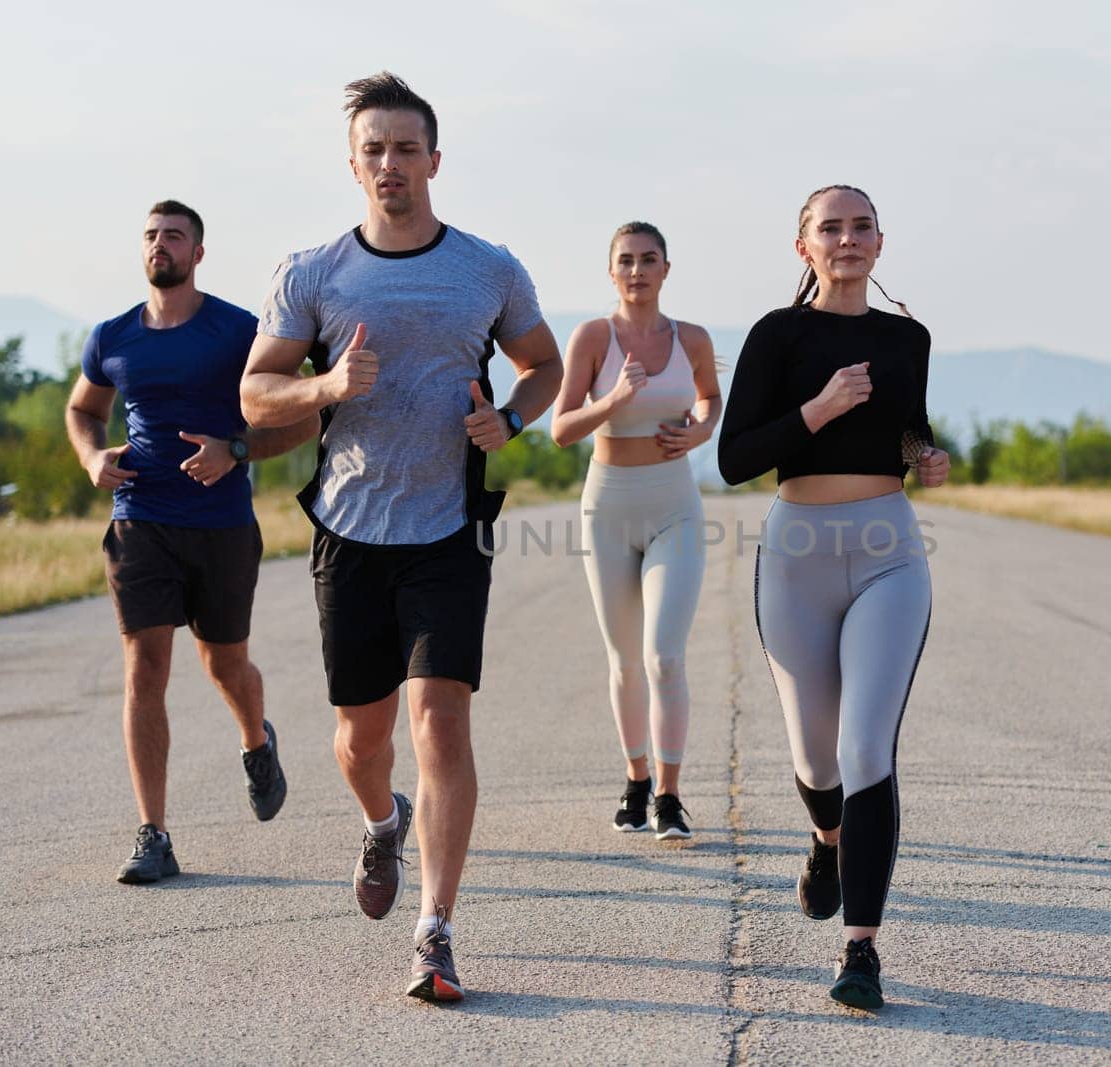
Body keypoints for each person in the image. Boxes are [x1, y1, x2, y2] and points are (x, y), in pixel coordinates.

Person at [240, 72, 562, 1005]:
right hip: (349, 530)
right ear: (353, 163)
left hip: (448, 530)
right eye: (372, 149)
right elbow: (257, 396)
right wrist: (328, 388)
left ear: (433, 159)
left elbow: (541, 365)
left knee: (441, 721)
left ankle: (436, 930)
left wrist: (511, 418)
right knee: (359, 741)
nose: (390, 163)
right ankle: (381, 821)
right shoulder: (312, 273)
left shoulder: (487, 268)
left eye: (405, 148)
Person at [716, 185, 950, 1010]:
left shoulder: (908, 337)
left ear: (881, 244)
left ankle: (862, 951)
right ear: (803, 246)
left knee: (865, 752)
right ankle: (825, 840)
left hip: (888, 550)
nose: (846, 240)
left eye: (860, 228)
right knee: (816, 762)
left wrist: (925, 451)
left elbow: (907, 421)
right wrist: (818, 408)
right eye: (830, 228)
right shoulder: (779, 335)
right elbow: (735, 458)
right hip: (797, 554)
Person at [65, 199, 320, 886]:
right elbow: (82, 409)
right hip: (139, 517)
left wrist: (236, 448)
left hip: (222, 527)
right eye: (150, 235)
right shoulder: (113, 334)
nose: (160, 245)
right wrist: (92, 458)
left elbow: (304, 414)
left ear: (197, 253)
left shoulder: (238, 330)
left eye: (174, 236)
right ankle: (154, 832)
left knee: (225, 666)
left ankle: (256, 740)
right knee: (145, 667)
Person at [551, 222, 721, 841]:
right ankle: (636, 779)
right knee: (625, 660)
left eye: (649, 260)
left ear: (666, 270)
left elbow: (710, 400)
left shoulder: (692, 338)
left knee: (664, 657)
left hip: (675, 503)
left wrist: (701, 430)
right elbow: (562, 428)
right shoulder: (594, 337)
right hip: (609, 506)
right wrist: (614, 399)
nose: (637, 271)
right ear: (611, 272)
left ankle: (670, 797)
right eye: (626, 261)